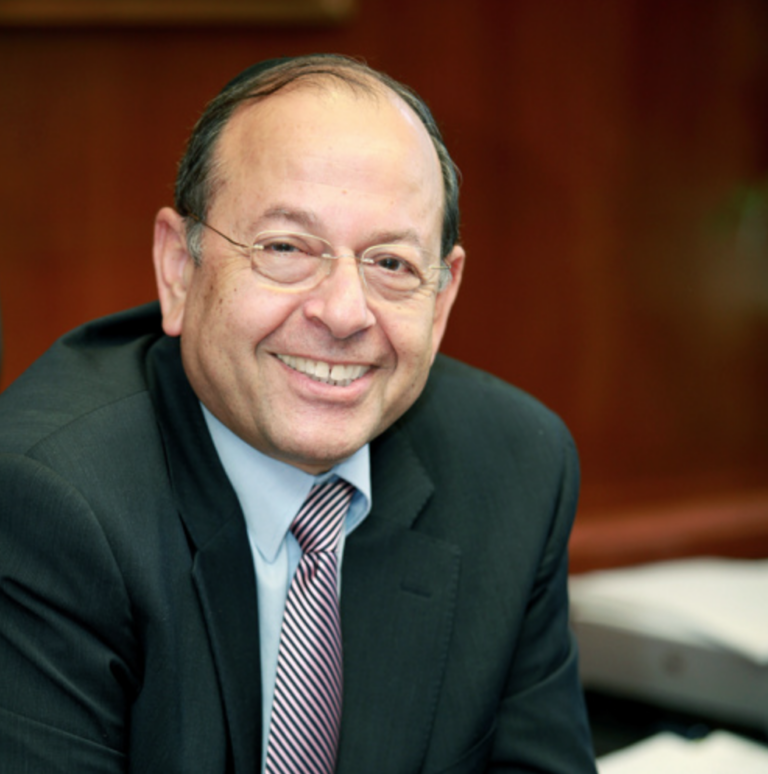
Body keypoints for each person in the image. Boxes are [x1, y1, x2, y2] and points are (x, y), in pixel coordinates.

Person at [0, 54, 597, 773]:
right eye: (285, 248)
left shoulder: (515, 467)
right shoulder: (46, 504)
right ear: (179, 269)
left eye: (391, 263)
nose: (344, 313)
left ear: (441, 300)